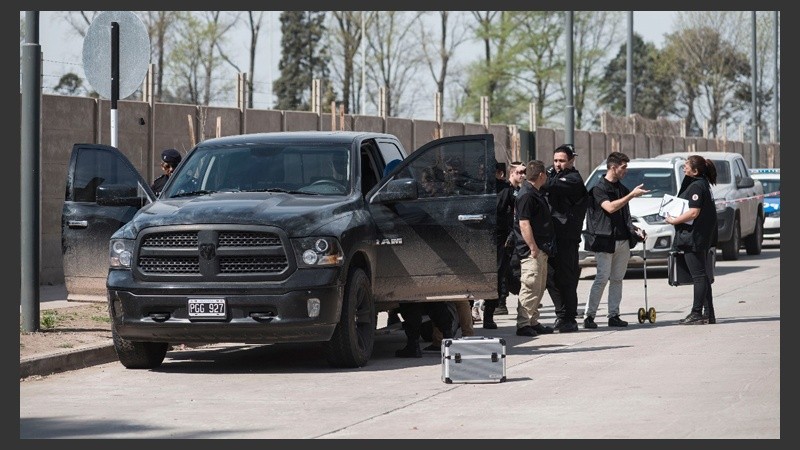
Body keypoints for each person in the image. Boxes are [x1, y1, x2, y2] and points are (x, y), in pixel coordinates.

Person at [582, 152, 648, 328]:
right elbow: (610, 208)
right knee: (602, 277)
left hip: (622, 240)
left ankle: (614, 315)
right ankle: (589, 316)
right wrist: (631, 195)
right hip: (604, 241)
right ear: (613, 167)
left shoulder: (622, 188)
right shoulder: (598, 188)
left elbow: (623, 216)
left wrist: (635, 230)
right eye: (623, 167)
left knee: (617, 279)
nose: (625, 171)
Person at [664, 155, 718, 325]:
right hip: (699, 236)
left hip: (693, 237)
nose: (684, 168)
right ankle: (708, 313)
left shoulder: (696, 186)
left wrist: (674, 220)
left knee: (699, 276)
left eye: (686, 166)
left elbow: (694, 212)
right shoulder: (702, 184)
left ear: (695, 171)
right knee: (703, 274)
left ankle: (697, 312)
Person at [541, 144, 588, 333]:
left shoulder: (573, 179)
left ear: (571, 161)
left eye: (562, 161)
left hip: (567, 238)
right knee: (551, 278)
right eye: (555, 160)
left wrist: (536, 175)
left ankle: (569, 317)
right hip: (551, 236)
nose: (558, 164)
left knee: (566, 279)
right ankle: (561, 315)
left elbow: (549, 185)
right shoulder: (553, 175)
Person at [513, 160, 556, 337]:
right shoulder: (527, 195)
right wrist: (532, 247)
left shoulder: (534, 193)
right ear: (541, 175)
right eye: (545, 174)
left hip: (541, 248)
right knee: (530, 286)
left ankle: (533, 320)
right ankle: (523, 324)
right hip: (532, 249)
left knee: (538, 286)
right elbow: (524, 224)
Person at [479, 162, 516, 329]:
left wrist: (511, 236)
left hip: (500, 239)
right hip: (478, 239)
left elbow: (517, 214)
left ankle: (488, 315)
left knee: (496, 278)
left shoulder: (506, 190)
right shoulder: (477, 189)